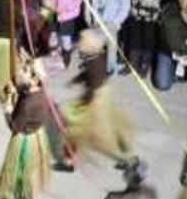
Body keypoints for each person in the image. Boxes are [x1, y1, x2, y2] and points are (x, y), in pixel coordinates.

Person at [55, 29, 133, 172]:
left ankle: (69, 162)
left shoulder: (93, 63)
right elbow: (91, 75)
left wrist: (84, 105)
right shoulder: (97, 56)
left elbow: (93, 84)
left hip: (95, 100)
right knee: (112, 127)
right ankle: (128, 157)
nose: (78, 43)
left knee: (74, 129)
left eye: (82, 41)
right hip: (103, 95)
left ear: (91, 46)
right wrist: (77, 80)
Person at [0, 58, 51, 199]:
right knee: (24, 178)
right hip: (35, 136)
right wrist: (14, 90)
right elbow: (23, 93)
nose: (19, 74)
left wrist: (8, 109)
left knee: (19, 180)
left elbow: (14, 126)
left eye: (23, 72)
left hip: (24, 142)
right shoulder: (40, 93)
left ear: (34, 78)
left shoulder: (27, 104)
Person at [88, 0, 131, 75]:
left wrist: (116, 22)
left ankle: (110, 66)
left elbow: (125, 7)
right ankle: (95, 63)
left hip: (110, 23)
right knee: (95, 42)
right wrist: (88, 15)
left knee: (111, 45)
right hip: (96, 20)